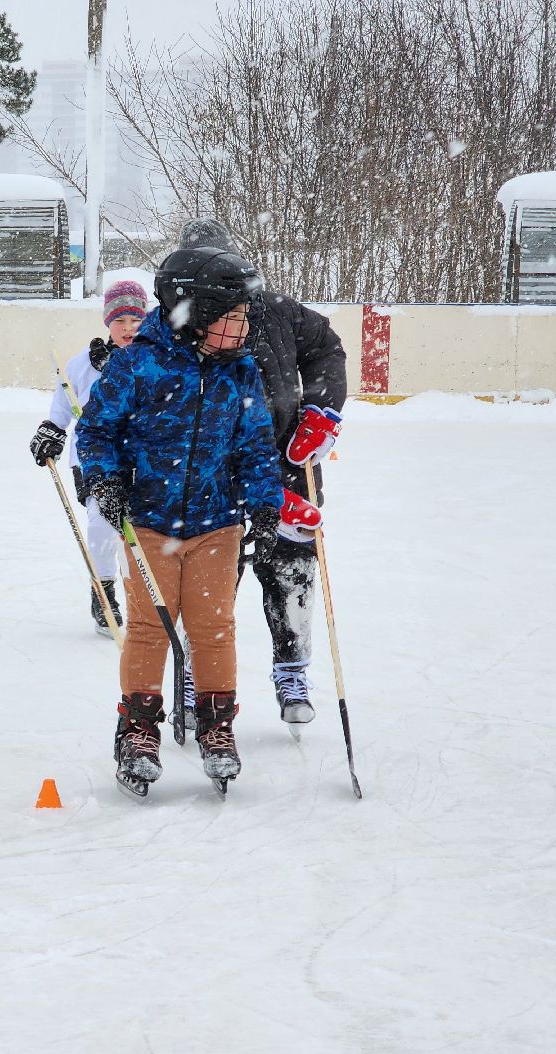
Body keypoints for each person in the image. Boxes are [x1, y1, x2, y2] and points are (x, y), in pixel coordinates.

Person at [75, 248, 284, 792]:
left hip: (217, 521)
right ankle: (139, 730)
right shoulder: (138, 362)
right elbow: (96, 431)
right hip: (149, 520)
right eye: (230, 318)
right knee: (148, 628)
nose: (240, 329)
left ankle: (217, 726)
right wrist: (106, 479)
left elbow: (256, 446)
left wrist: (264, 503)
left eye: (243, 318)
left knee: (213, 628)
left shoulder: (239, 370)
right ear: (194, 311)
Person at [178, 219, 347, 728]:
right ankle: (195, 672)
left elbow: (326, 348)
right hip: (210, 475)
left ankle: (292, 671)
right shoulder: (175, 321)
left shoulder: (277, 310)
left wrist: (321, 412)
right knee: (209, 579)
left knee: (291, 568)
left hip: (286, 465)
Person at [29, 279, 148, 635]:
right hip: (94, 459)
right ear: (107, 322)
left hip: (144, 458)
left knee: (143, 530)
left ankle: (147, 596)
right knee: (101, 523)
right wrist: (51, 430)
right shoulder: (82, 364)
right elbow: (62, 408)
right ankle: (104, 589)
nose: (127, 329)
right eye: (120, 321)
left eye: (135, 321)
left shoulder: (157, 359)